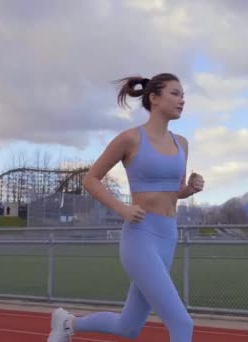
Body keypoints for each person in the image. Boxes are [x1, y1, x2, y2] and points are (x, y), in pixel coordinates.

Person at [47, 72, 204, 342]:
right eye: (175, 93)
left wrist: (188, 189)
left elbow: (173, 192)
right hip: (140, 237)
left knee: (128, 327)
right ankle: (67, 324)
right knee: (181, 323)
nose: (182, 100)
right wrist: (122, 208)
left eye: (183, 95)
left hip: (168, 236)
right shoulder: (130, 139)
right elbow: (90, 179)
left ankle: (69, 323)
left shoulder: (182, 144)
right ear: (154, 98)